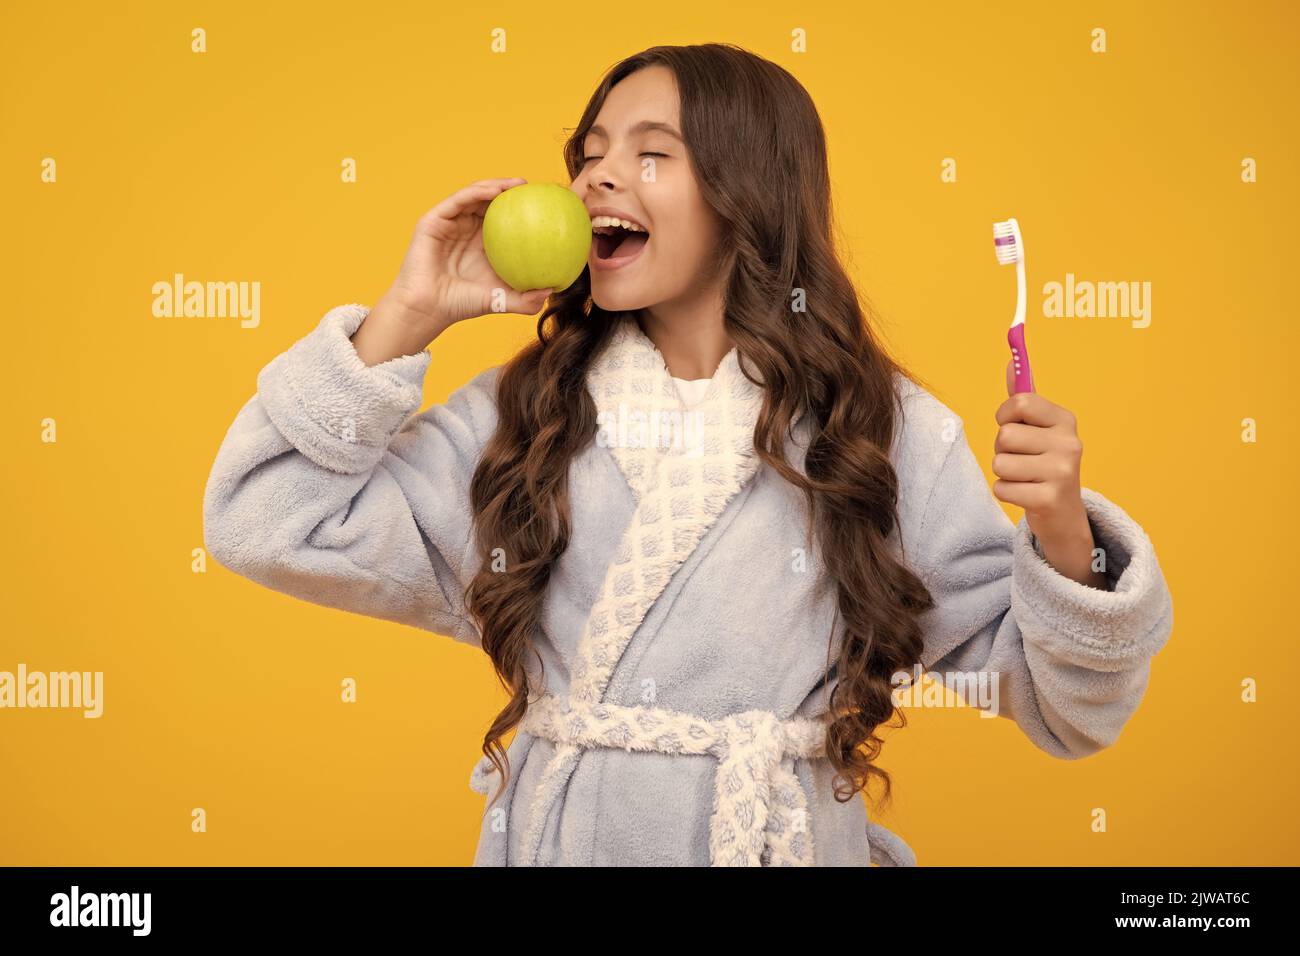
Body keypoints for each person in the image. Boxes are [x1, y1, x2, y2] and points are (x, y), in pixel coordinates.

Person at [202, 43, 1173, 867]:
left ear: (747, 190)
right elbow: (264, 517)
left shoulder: (876, 432)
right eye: (588, 156)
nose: (596, 178)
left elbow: (1060, 704)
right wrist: (406, 315)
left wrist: (1057, 530)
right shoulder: (524, 418)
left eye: (650, 152)